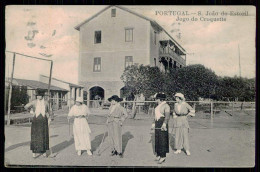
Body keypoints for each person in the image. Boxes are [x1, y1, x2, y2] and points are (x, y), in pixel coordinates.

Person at [24, 89, 50, 158]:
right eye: (37, 96)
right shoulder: (34, 102)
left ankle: (44, 151)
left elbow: (49, 111)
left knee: (43, 135)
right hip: (36, 120)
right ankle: (34, 152)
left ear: (42, 96)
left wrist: (49, 117)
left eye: (40, 96)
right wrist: (31, 112)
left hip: (44, 120)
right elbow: (26, 106)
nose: (38, 97)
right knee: (35, 136)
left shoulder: (46, 102)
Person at [151, 93, 170, 164]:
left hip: (163, 123)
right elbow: (155, 116)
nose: (156, 100)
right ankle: (158, 154)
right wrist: (153, 123)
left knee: (162, 140)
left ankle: (163, 156)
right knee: (157, 139)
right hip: (157, 122)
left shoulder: (166, 106)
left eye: (156, 99)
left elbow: (167, 117)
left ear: (160, 99)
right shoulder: (158, 106)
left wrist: (164, 124)